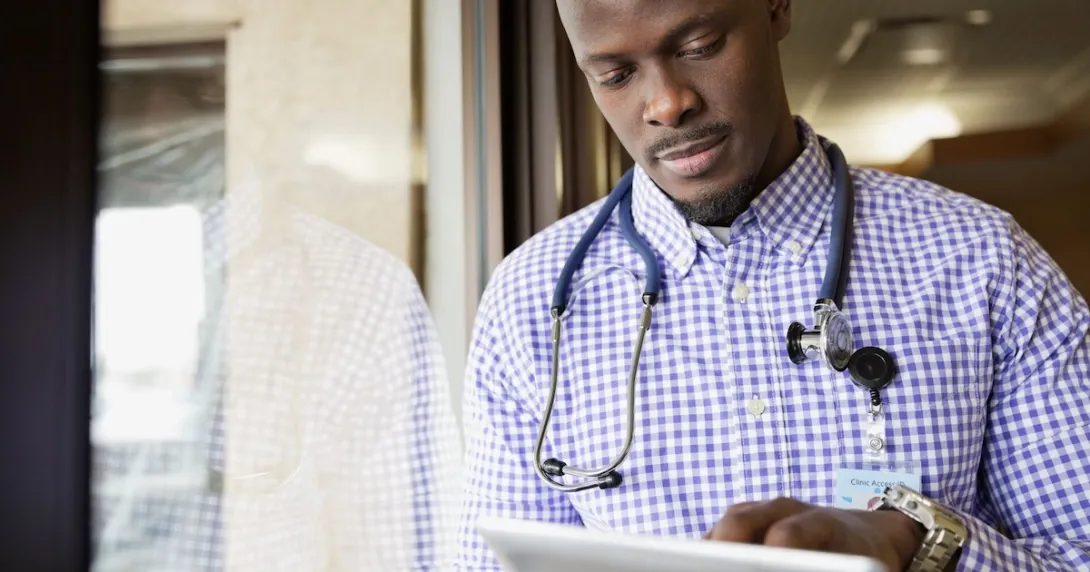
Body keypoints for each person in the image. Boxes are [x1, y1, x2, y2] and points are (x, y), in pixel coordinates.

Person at [455, 1, 1090, 571]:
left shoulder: (981, 260)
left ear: (776, 8)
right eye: (616, 75)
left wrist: (911, 545)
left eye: (699, 46)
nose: (667, 103)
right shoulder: (529, 303)